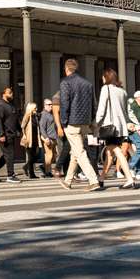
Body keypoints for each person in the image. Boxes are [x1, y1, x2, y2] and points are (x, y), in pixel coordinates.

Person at [58, 58, 101, 191]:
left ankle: (93, 180)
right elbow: (94, 103)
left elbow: (65, 104)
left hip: (72, 122)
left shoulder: (65, 82)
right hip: (85, 122)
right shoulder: (87, 83)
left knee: (79, 152)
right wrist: (92, 120)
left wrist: (63, 122)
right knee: (75, 152)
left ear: (66, 69)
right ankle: (68, 180)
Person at [95, 68, 137, 190]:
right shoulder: (122, 91)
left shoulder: (105, 89)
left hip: (110, 126)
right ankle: (101, 178)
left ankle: (129, 179)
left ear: (106, 77)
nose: (102, 79)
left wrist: (96, 123)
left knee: (116, 151)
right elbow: (124, 111)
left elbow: (101, 109)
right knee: (109, 152)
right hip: (120, 126)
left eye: (103, 77)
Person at [0, 86, 20, 183]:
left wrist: (20, 130)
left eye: (12, 92)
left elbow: (15, 119)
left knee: (7, 155)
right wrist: (1, 134)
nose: (12, 94)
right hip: (4, 134)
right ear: (3, 94)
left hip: (11, 134)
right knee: (9, 154)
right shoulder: (0, 106)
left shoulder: (11, 105)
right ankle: (10, 175)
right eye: (9, 92)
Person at [51, 91, 70, 179]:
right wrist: (59, 127)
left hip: (69, 125)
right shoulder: (57, 96)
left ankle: (67, 172)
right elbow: (55, 113)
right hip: (61, 126)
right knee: (64, 147)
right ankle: (58, 167)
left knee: (68, 148)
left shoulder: (70, 94)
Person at [19, 102, 39, 179]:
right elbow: (22, 126)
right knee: (31, 157)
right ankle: (32, 174)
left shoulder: (35, 116)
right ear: (31, 109)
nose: (36, 109)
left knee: (36, 156)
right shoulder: (27, 116)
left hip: (35, 139)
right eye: (35, 108)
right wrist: (24, 135)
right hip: (29, 139)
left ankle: (25, 167)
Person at [39, 97, 58, 177]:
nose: (51, 106)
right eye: (49, 104)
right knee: (49, 155)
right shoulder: (44, 114)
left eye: (52, 104)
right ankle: (47, 172)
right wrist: (46, 138)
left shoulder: (51, 113)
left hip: (54, 137)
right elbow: (42, 127)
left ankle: (44, 167)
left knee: (54, 156)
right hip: (48, 138)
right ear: (45, 105)